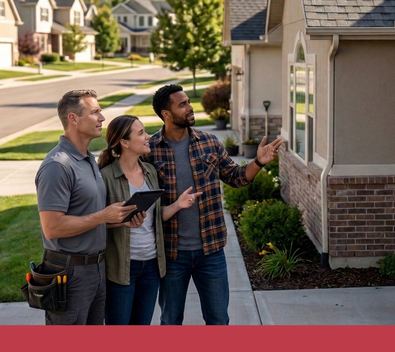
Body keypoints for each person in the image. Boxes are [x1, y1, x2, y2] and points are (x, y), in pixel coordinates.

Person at [144, 84, 283, 325]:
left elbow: (237, 178)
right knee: (170, 320)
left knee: (218, 320)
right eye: (183, 104)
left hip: (211, 251)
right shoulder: (150, 151)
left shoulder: (209, 142)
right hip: (171, 253)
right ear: (166, 114)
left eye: (188, 101)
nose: (190, 107)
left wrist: (259, 162)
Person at [35, 90, 140, 325]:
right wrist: (103, 215)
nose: (102, 118)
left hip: (97, 268)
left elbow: (87, 216)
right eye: (95, 112)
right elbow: (52, 227)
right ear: (73, 118)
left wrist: (117, 219)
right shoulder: (57, 166)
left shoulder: (88, 159)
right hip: (69, 273)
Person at [98, 115, 201, 325]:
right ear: (125, 143)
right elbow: (96, 221)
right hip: (122, 267)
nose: (147, 137)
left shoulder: (150, 172)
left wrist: (178, 205)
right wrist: (123, 222)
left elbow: (154, 217)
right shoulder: (105, 176)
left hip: (151, 265)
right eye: (141, 133)